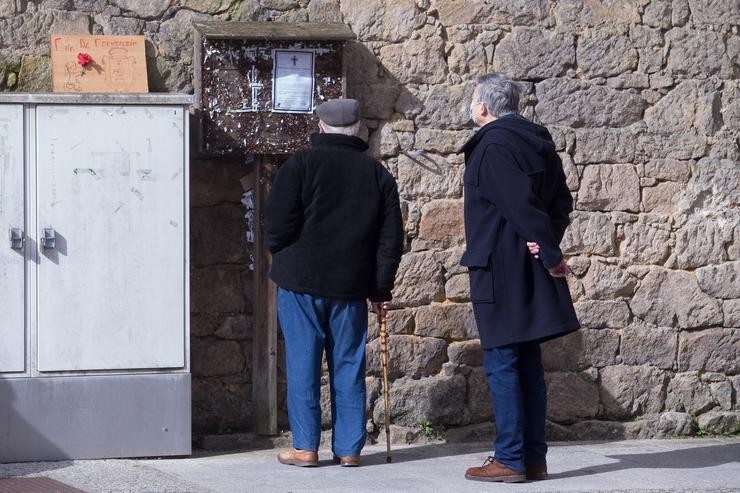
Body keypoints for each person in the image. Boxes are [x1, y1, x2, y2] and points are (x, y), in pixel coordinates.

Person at [265, 98, 404, 468]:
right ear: (358, 129)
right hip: (351, 288)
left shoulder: (299, 166)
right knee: (348, 365)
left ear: (322, 128)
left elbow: (275, 227)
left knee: (302, 364)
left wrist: (286, 253)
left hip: (300, 284)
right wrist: (380, 289)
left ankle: (306, 447)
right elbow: (390, 240)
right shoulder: (378, 175)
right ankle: (348, 450)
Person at [460, 73, 579, 483]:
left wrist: (547, 250)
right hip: (522, 262)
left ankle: (511, 458)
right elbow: (560, 201)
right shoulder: (535, 140)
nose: (472, 105)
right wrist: (544, 243)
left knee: (503, 361)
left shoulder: (493, 146)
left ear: (484, 107)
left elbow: (520, 203)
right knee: (526, 361)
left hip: (500, 267)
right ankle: (533, 457)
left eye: (473, 99)